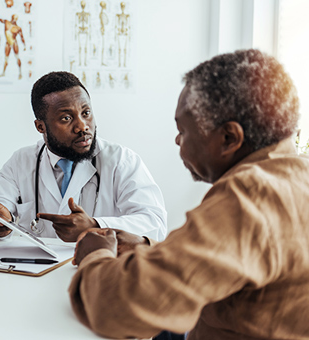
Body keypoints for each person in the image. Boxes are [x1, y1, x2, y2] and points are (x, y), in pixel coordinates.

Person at [69, 49, 309, 340]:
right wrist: (147, 247)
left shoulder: (251, 196)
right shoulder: (297, 175)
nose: (177, 140)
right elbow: (231, 258)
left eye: (182, 129)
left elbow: (118, 305)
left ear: (229, 138)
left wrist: (96, 254)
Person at [0, 71, 167, 242]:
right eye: (66, 118)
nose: (82, 126)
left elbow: (155, 223)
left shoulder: (121, 160)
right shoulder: (22, 161)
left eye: (86, 112)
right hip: (38, 274)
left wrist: (96, 226)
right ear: (41, 126)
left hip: (99, 270)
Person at [0, 13, 25, 79]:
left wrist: (24, 45)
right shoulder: (6, 22)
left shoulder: (18, 28)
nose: (14, 19)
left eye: (16, 18)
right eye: (14, 18)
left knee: (17, 57)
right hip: (8, 43)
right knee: (6, 58)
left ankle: (20, 73)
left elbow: (22, 37)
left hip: (14, 43)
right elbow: (0, 20)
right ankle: (3, 72)